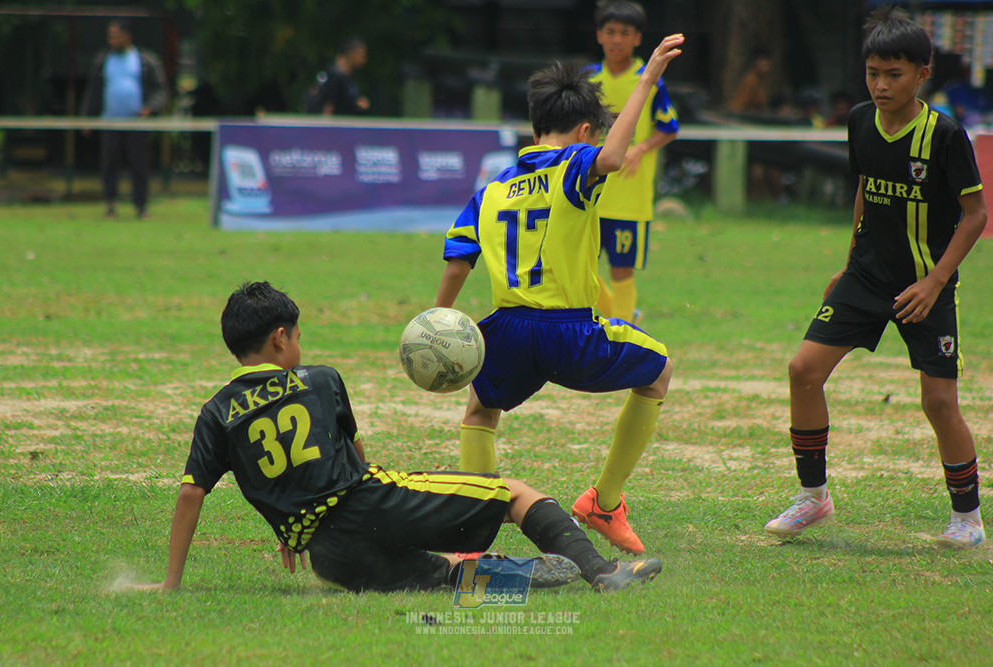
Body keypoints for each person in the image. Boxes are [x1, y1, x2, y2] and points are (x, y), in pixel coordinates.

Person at [135, 281, 662, 593]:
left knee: (440, 575)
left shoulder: (216, 411)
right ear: (280, 338)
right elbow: (354, 457)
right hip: (371, 506)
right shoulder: (319, 379)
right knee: (515, 493)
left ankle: (499, 574)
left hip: (329, 558)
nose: (300, 345)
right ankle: (601, 571)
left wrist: (171, 584)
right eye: (297, 337)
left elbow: (191, 494)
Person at [435, 35, 684, 556]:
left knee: (481, 411)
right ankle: (604, 502)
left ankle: (472, 537)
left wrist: (440, 319)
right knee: (658, 371)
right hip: (567, 331)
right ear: (585, 131)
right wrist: (647, 79)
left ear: (533, 126)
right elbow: (612, 158)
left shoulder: (495, 185)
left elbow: (459, 256)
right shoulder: (574, 165)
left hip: (505, 329)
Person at [764, 7, 987, 549]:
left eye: (895, 74)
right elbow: (866, 187)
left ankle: (968, 517)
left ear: (921, 73)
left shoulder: (944, 134)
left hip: (924, 283)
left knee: (938, 401)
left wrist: (935, 282)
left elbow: (976, 214)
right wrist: (848, 261)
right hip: (864, 276)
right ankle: (813, 498)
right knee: (802, 370)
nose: (882, 85)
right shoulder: (860, 119)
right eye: (873, 73)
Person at [587, 1, 679, 325]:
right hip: (591, 192)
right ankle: (622, 319)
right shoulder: (589, 78)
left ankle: (621, 333)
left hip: (630, 194)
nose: (616, 40)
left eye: (624, 33)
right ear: (599, 35)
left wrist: (640, 149)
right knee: (581, 262)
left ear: (637, 38)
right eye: (610, 32)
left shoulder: (649, 79)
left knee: (621, 268)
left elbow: (669, 127)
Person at [80, 19, 169, 219]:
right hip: (110, 122)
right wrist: (87, 117)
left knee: (139, 165)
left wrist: (150, 108)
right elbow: (93, 91)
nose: (112, 40)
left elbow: (160, 90)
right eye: (110, 36)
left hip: (137, 124)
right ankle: (110, 205)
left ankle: (141, 207)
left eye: (116, 36)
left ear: (127, 36)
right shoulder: (103, 60)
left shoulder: (145, 60)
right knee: (110, 164)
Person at [305, 38, 370, 116]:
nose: (363, 60)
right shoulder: (334, 76)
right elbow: (328, 106)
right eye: (361, 56)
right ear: (351, 54)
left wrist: (356, 104)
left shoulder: (349, 76)